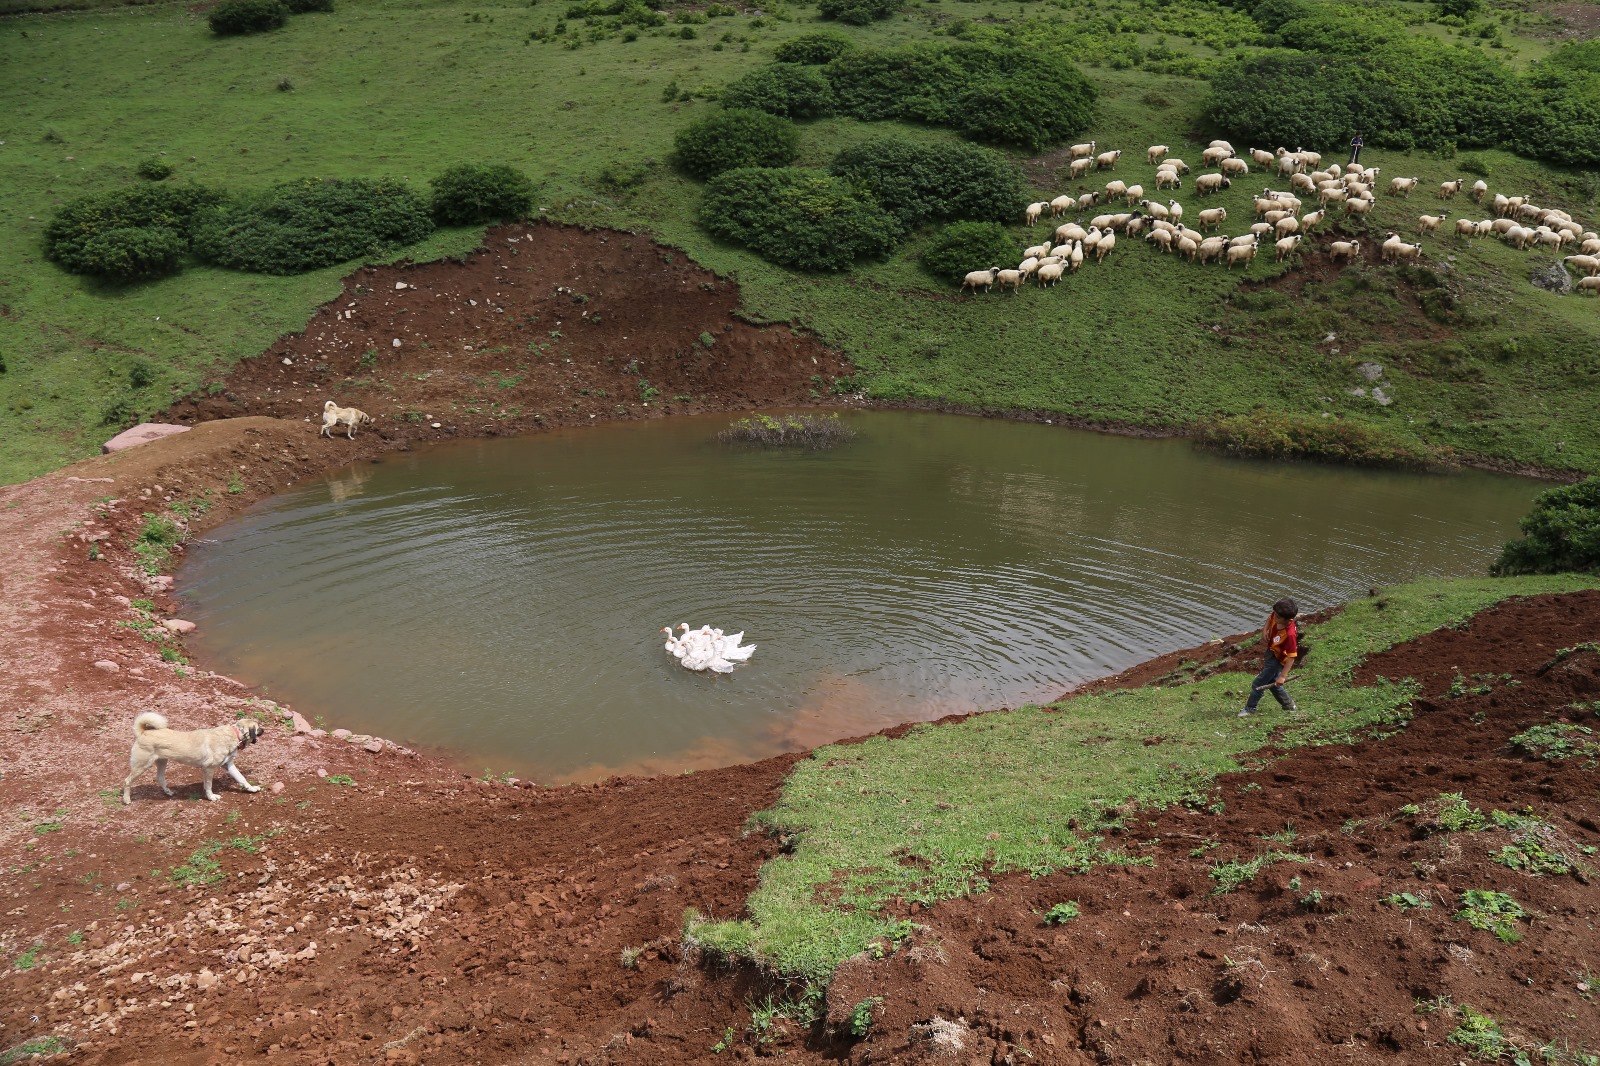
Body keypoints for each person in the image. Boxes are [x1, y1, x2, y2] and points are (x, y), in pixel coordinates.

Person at [1240, 597, 1299, 717]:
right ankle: (1289, 705)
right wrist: (1265, 630)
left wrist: (1283, 676)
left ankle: (1250, 708)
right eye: (1275, 614)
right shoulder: (1276, 615)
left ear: (1289, 620)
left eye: (1278, 617)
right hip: (1271, 652)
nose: (1274, 617)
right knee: (1273, 682)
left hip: (1278, 660)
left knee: (1258, 684)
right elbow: (1270, 617)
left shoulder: (1290, 634)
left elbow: (1292, 657)